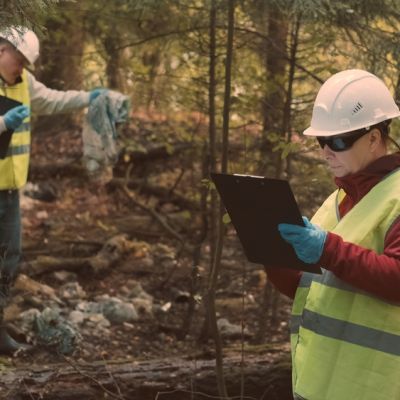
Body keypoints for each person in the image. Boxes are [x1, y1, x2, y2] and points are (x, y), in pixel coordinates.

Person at [265, 69, 400, 400]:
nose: (327, 151)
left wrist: (327, 249)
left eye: (338, 141)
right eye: (321, 141)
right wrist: (272, 253)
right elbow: (308, 288)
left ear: (373, 137)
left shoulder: (396, 197)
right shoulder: (338, 201)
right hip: (318, 386)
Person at [0, 26, 105, 354]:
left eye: (25, 62)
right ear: (1, 50)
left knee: (8, 260)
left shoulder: (25, 84)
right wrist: (3, 123)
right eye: (19, 60)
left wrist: (88, 97)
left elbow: (53, 99)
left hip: (9, 192)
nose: (22, 67)